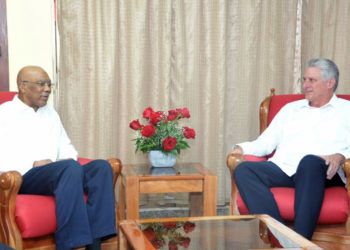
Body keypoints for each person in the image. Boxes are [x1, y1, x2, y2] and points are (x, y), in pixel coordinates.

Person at [231, 58, 350, 240]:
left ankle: (300, 240)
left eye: (312, 80)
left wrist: (342, 155)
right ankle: (282, 240)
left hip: (324, 171)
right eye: (304, 79)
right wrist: (241, 147)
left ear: (330, 83)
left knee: (309, 161)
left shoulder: (346, 110)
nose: (305, 85)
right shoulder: (291, 109)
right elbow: (265, 142)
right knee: (244, 170)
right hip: (285, 169)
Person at [0, 66, 116, 250]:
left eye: (49, 84)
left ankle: (95, 244)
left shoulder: (50, 113)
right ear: (22, 86)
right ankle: (70, 244)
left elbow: (67, 148)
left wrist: (62, 164)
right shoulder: (4, 114)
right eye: (40, 84)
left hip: (57, 173)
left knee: (101, 168)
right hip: (24, 176)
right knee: (69, 169)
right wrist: (32, 164)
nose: (47, 89)